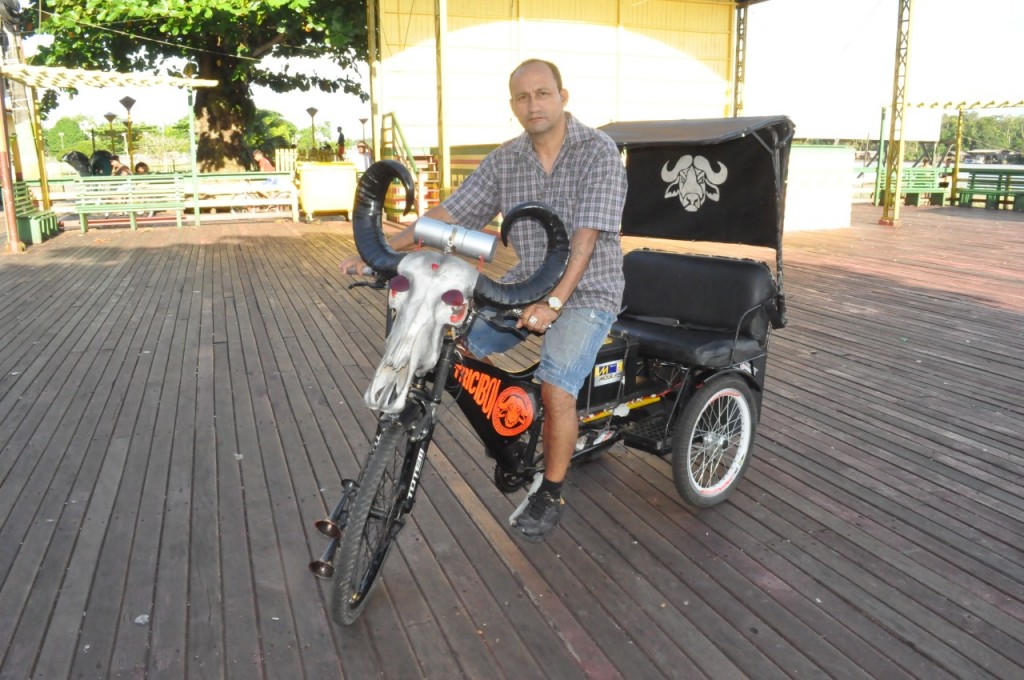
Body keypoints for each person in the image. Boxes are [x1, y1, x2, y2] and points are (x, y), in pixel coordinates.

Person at [341, 59, 627, 542]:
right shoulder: (506, 159)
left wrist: (555, 304)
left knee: (557, 387)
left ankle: (550, 490)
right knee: (452, 343)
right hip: (527, 282)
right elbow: (448, 215)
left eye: (543, 93)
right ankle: (509, 418)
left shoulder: (597, 151)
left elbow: (585, 241)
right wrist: (383, 253)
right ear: (512, 104)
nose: (533, 104)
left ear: (562, 96)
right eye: (522, 97)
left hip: (587, 289)